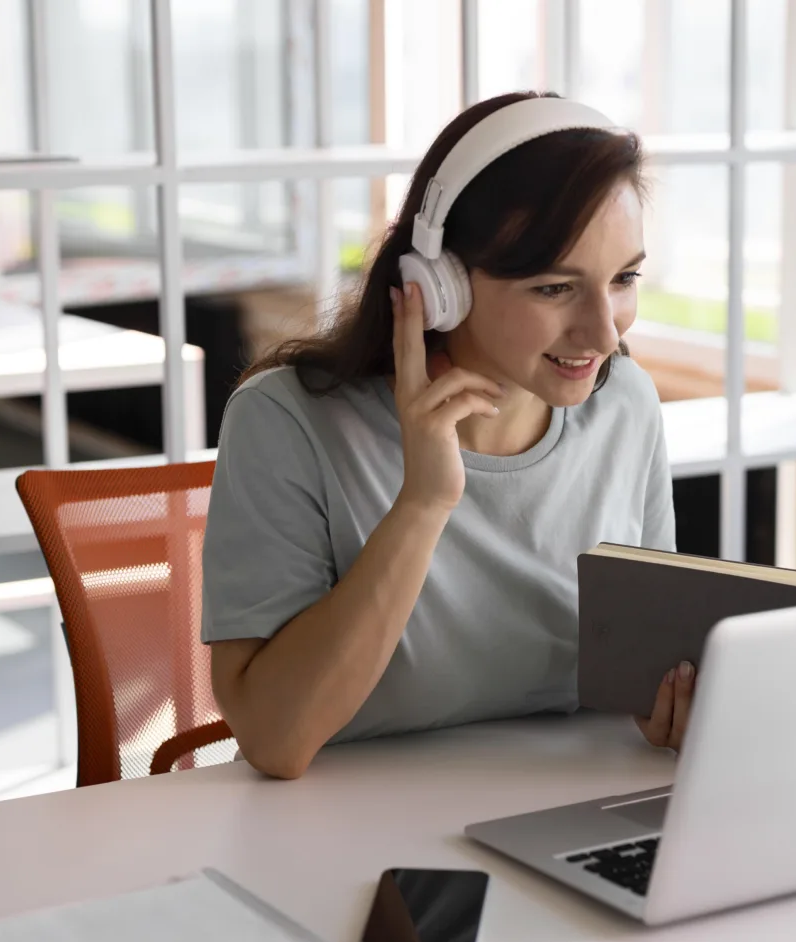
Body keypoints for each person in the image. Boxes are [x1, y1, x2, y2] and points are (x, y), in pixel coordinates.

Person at [200, 91, 693, 779]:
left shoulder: (625, 404)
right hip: (336, 839)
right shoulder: (286, 421)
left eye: (624, 279)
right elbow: (276, 741)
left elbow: (641, 662)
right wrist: (425, 501)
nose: (606, 333)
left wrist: (666, 706)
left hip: (554, 809)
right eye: (555, 288)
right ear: (440, 284)